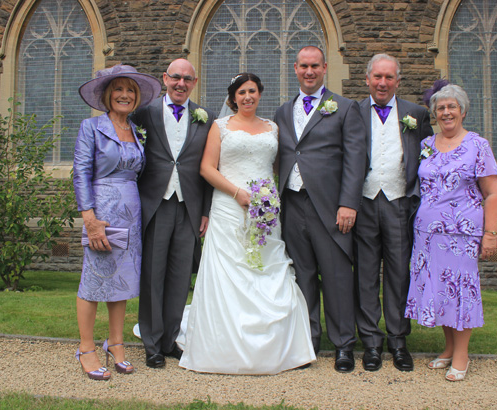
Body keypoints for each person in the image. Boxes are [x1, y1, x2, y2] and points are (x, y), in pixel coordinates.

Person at [178, 73, 316, 375]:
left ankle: (280, 347)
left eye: (253, 91)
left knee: (267, 269)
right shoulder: (220, 127)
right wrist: (237, 192)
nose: (247, 97)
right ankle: (223, 345)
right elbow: (206, 168)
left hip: (265, 211)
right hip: (229, 207)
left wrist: (267, 199)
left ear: (260, 93)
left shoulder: (273, 128)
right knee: (230, 273)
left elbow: (278, 167)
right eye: (242, 92)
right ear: (233, 97)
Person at [274, 46, 367, 372]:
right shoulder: (283, 111)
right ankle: (308, 342)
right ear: (296, 69)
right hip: (293, 203)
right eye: (304, 66)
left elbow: (356, 160)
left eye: (315, 66)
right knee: (303, 277)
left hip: (329, 207)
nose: (309, 71)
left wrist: (347, 204)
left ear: (325, 67)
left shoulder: (344, 108)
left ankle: (343, 345)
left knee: (338, 275)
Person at [404, 81, 497, 381]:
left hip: (461, 233)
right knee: (440, 291)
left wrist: (491, 235)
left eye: (452, 107)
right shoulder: (427, 145)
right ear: (434, 113)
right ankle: (448, 348)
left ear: (462, 111)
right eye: (441, 108)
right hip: (427, 234)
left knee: (461, 290)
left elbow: (494, 192)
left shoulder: (477, 145)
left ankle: (462, 355)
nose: (446, 112)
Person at [73, 64, 161, 380]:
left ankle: (116, 343)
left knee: (122, 281)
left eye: (131, 90)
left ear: (136, 97)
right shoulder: (91, 127)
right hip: (103, 212)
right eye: (119, 89)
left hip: (131, 213)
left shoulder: (137, 132)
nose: (124, 94)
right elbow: (80, 173)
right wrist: (90, 220)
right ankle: (86, 348)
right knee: (94, 280)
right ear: (108, 95)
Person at [132, 59, 215, 369]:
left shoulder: (206, 118)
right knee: (153, 276)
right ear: (165, 78)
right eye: (176, 77)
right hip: (155, 203)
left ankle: (169, 341)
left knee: (181, 278)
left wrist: (205, 210)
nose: (181, 83)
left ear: (194, 82)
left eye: (187, 79)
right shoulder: (145, 113)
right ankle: (151, 343)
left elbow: (209, 168)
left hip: (189, 206)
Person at [354, 54, 433, 372]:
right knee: (366, 275)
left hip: (401, 203)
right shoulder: (353, 112)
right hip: (363, 202)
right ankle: (371, 342)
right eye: (377, 77)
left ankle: (398, 341)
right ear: (368, 79)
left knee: (400, 275)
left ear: (398, 81)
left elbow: (428, 158)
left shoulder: (416, 114)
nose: (382, 83)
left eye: (389, 77)